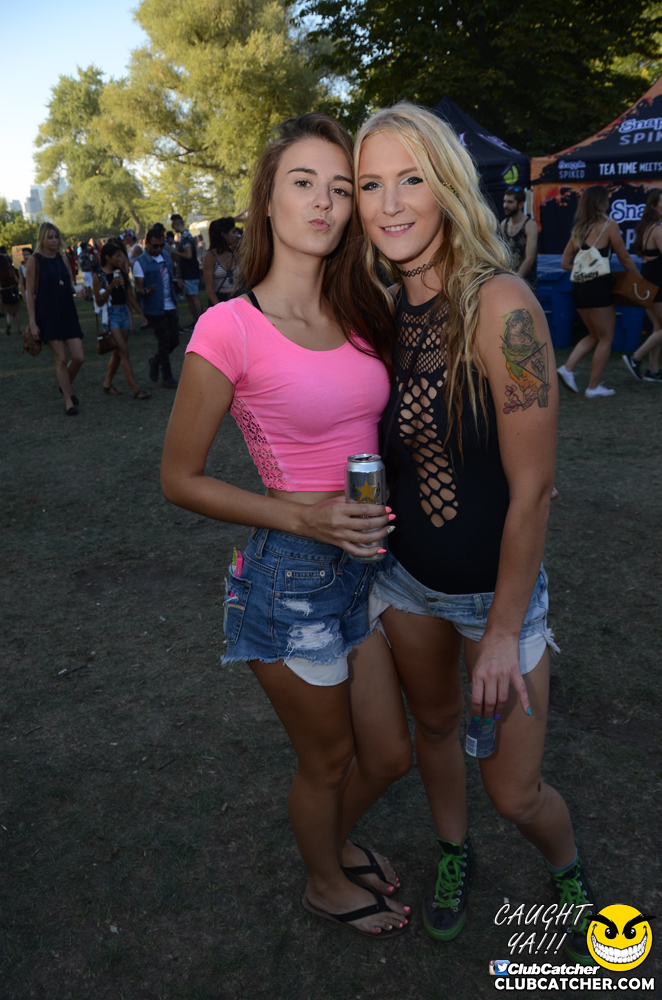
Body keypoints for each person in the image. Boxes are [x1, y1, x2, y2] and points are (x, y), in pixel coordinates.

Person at [354, 102, 596, 962]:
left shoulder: (504, 306)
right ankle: (452, 853)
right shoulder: (382, 315)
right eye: (370, 184)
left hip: (501, 598)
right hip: (406, 585)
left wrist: (501, 630)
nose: (390, 204)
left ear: (449, 187)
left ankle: (566, 866)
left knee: (517, 792)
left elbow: (534, 491)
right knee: (433, 730)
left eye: (410, 179)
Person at [161, 113, 412, 937]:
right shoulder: (227, 327)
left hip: (365, 567)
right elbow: (178, 478)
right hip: (289, 579)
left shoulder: (362, 309)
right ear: (267, 200)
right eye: (303, 183)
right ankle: (323, 882)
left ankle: (330, 842)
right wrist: (299, 511)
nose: (324, 202)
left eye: (340, 188)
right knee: (328, 759)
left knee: (389, 755)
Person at [557, 186, 638, 398]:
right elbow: (624, 257)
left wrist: (584, 269)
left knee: (595, 334)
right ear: (601, 202)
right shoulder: (609, 225)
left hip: (578, 288)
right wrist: (638, 278)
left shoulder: (579, 229)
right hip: (599, 288)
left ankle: (567, 368)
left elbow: (565, 263)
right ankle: (593, 387)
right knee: (606, 337)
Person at [26, 223, 84, 415]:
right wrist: (33, 322)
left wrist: (77, 292)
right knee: (61, 358)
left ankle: (64, 385)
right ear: (42, 238)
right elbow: (29, 293)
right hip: (48, 315)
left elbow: (68, 285)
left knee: (79, 357)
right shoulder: (35, 260)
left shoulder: (63, 258)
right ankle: (68, 401)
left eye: (56, 237)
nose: (54, 240)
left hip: (67, 312)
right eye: (50, 237)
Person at [92, 244, 152, 399]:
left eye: (121, 255)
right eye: (117, 256)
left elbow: (129, 295)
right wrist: (111, 286)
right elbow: (98, 301)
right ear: (107, 257)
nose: (120, 259)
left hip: (124, 313)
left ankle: (107, 383)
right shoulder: (99, 276)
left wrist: (141, 314)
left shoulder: (121, 273)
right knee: (124, 351)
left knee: (118, 353)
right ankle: (136, 390)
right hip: (111, 315)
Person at [622, 189, 662, 383]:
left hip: (648, 279)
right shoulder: (657, 229)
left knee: (658, 327)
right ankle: (636, 357)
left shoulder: (646, 227)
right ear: (654, 206)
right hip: (657, 282)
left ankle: (653, 370)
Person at [133, 228, 180, 389]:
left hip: (170, 303)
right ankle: (167, 377)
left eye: (161, 245)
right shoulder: (140, 262)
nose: (158, 249)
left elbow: (170, 277)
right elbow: (138, 289)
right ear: (146, 243)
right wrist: (146, 291)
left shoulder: (165, 255)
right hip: (154, 308)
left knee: (175, 340)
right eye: (155, 246)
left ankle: (155, 360)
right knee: (164, 341)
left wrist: (177, 283)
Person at [500, 187, 538, 293]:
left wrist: (516, 280)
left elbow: (529, 258)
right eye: (504, 201)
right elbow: (502, 254)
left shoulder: (530, 225)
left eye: (510, 202)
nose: (505, 205)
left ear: (521, 204)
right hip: (507, 281)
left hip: (526, 283)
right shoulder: (503, 224)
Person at [170, 214, 203, 328]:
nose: (172, 227)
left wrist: (175, 251)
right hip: (188, 272)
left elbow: (188, 255)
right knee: (190, 296)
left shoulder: (185, 236)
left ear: (177, 223)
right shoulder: (186, 235)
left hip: (190, 272)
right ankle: (195, 321)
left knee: (194, 296)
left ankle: (200, 322)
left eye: (173, 224)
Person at [202, 218, 241, 305]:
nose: (237, 235)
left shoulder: (235, 253)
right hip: (219, 301)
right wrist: (220, 308)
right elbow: (209, 289)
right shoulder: (210, 256)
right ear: (223, 234)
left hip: (237, 299)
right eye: (233, 232)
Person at [0, 247, 22, 337]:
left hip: (4, 291)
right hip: (13, 289)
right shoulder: (10, 268)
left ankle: (9, 324)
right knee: (17, 311)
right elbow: (17, 280)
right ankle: (19, 330)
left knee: (9, 312)